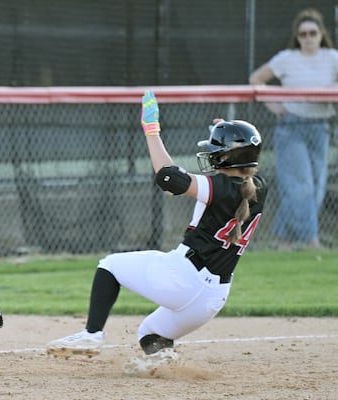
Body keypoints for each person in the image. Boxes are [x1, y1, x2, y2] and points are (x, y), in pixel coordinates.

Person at [46, 92, 266, 366]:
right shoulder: (259, 187)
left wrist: (152, 131)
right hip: (212, 299)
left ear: (227, 158)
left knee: (110, 266)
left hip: (184, 277)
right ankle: (162, 367)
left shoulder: (218, 188)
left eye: (216, 153)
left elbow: (168, 177)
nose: (210, 156)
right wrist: (225, 138)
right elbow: (233, 174)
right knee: (150, 334)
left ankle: (92, 334)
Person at [249, 7, 337, 250]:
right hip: (291, 127)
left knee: (316, 188)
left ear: (321, 34)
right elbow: (256, 79)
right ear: (297, 37)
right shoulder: (286, 58)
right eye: (303, 34)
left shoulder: (332, 57)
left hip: (320, 127)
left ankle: (282, 241)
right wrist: (276, 106)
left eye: (312, 33)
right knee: (301, 187)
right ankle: (312, 242)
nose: (308, 38)